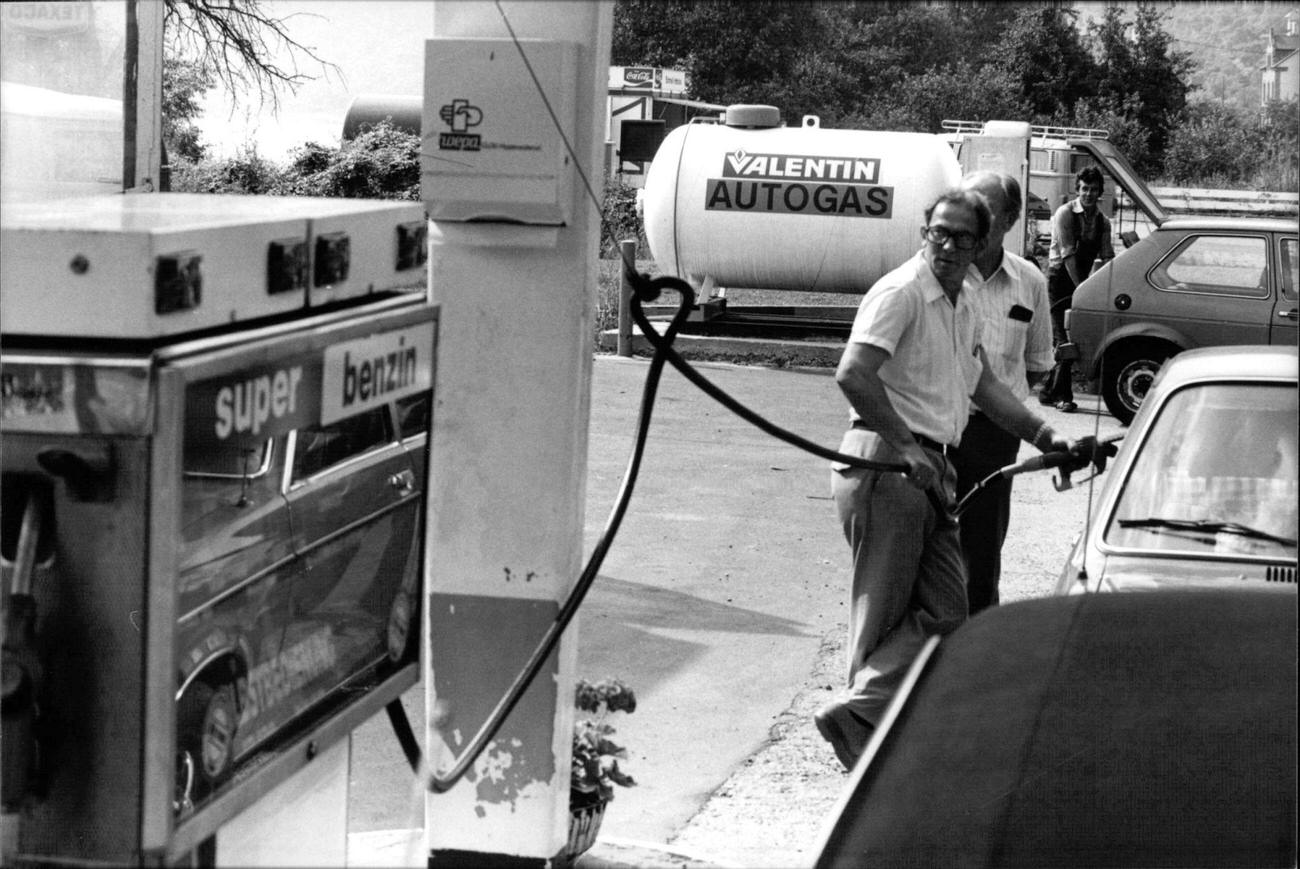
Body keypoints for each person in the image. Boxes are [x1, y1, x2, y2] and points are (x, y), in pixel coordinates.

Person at [815, 189, 1077, 771]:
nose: (950, 244)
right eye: (940, 232)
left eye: (963, 236)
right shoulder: (902, 292)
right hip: (888, 462)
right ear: (923, 232)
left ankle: (860, 711)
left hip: (930, 468)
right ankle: (865, 744)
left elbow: (983, 384)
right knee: (882, 613)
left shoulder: (958, 305)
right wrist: (907, 446)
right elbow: (853, 374)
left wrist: (1044, 435)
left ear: (983, 242)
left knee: (947, 610)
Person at [949, 172, 1054, 616]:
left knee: (984, 551)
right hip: (938, 429)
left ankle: (976, 649)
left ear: (1010, 219)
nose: (972, 218)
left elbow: (1036, 363)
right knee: (928, 546)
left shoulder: (1029, 282)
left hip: (995, 435)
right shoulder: (943, 275)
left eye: (986, 209)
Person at [1040, 166, 1114, 413]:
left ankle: (1048, 391)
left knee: (1074, 339)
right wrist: (1083, 289)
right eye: (1084, 189)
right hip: (1060, 280)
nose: (1089, 194)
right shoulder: (1065, 214)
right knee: (1064, 340)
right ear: (1077, 189)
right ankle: (1063, 396)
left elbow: (1106, 258)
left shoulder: (1103, 222)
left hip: (1081, 281)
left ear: (1100, 193)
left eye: (1094, 190)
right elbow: (1069, 255)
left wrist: (1104, 287)